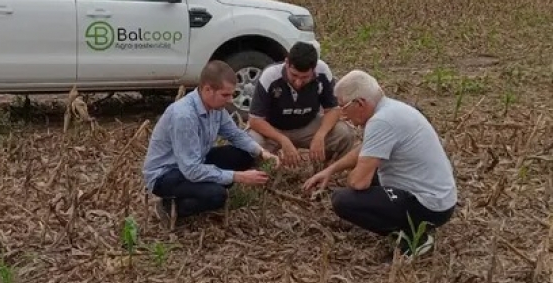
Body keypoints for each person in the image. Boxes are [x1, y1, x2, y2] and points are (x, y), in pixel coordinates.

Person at [303, 69, 458, 258]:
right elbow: (367, 149)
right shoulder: (391, 108)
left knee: (343, 200)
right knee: (372, 171)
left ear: (360, 103)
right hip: (441, 197)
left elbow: (359, 183)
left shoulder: (381, 122)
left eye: (343, 107)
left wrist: (356, 173)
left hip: (430, 206)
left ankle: (415, 237)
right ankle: (408, 221)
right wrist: (331, 170)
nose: (343, 116)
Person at [142, 60, 279, 223]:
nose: (230, 101)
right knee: (216, 195)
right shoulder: (184, 116)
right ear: (207, 89)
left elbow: (235, 134)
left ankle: (202, 190)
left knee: (245, 153)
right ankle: (170, 206)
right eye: (225, 95)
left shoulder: (216, 108)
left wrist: (262, 152)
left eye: (232, 95)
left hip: (194, 162)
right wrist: (237, 176)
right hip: (167, 174)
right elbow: (191, 170)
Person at [246, 41, 356, 168]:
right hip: (274, 129)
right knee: (252, 141)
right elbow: (255, 120)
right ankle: (261, 174)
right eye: (294, 75)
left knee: (344, 133)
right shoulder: (270, 76)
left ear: (314, 69)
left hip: (307, 125)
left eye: (305, 77)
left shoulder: (323, 72)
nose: (298, 82)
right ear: (287, 63)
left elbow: (333, 109)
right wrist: (283, 140)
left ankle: (326, 170)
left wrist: (320, 135)